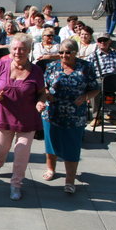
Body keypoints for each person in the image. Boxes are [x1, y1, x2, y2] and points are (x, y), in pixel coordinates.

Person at [0, 34, 45, 200]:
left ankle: (16, 185)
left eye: (22, 49)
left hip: (27, 119)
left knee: (21, 154)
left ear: (28, 50)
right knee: (1, 150)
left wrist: (40, 103)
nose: (18, 52)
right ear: (10, 49)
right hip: (4, 116)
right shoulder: (1, 65)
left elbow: (42, 93)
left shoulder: (36, 71)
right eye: (15, 48)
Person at [38, 39, 100, 194]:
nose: (64, 55)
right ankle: (51, 169)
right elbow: (43, 87)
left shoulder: (86, 67)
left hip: (74, 114)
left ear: (75, 52)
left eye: (67, 52)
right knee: (51, 143)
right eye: (61, 52)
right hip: (52, 112)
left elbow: (95, 89)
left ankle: (70, 179)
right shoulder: (52, 66)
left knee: (72, 146)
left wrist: (85, 96)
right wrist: (45, 96)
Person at [85, 33, 116, 126]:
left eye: (105, 40)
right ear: (97, 42)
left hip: (114, 80)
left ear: (110, 42)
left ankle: (113, 115)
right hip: (99, 79)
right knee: (93, 90)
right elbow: (87, 73)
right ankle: (97, 117)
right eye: (100, 40)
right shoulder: (92, 56)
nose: (102, 42)